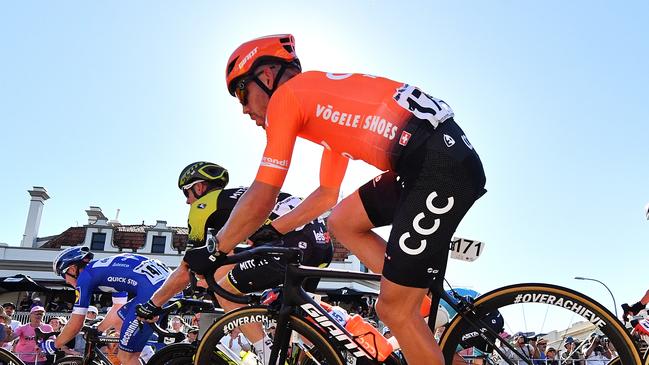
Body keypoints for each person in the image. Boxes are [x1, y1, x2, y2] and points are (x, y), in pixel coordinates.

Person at [179, 34, 486, 365]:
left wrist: (217, 250)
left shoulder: (287, 98)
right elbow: (327, 195)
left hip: (436, 166)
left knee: (393, 309)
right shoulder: (320, 103)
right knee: (343, 221)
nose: (243, 108)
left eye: (242, 92)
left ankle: (410, 298)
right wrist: (275, 230)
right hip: (432, 158)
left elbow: (264, 192)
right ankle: (418, 293)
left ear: (266, 77)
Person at [136, 161, 333, 360]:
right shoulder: (238, 199)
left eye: (186, 193)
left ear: (199, 187)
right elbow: (224, 259)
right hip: (322, 246)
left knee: (225, 290)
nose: (187, 201)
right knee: (296, 320)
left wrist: (152, 304)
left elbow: (189, 265)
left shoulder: (204, 206)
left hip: (290, 245)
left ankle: (266, 354)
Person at [44, 246, 178, 365]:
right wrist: (99, 329)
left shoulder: (85, 277)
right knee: (121, 322)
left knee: (125, 356)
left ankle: (138, 356)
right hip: (170, 284)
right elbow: (118, 308)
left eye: (63, 276)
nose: (66, 281)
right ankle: (148, 356)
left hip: (154, 290)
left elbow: (76, 324)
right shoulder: (106, 271)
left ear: (72, 269)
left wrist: (54, 345)